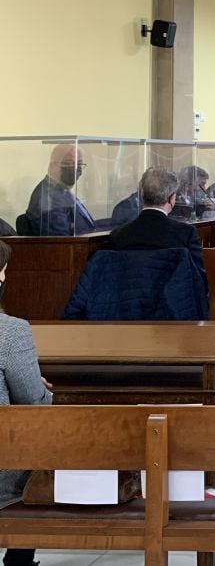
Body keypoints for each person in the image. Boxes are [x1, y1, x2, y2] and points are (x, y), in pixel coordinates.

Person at [0, 240, 54, 566]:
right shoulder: (11, 332)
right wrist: (43, 389)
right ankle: (19, 561)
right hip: (3, 476)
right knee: (39, 448)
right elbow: (33, 404)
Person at [106, 167, 206, 282]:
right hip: (173, 299)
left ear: (142, 194)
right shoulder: (186, 233)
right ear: (171, 197)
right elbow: (198, 278)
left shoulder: (118, 235)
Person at [24, 144, 95, 235]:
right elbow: (60, 240)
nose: (75, 168)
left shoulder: (62, 191)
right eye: (67, 163)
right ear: (52, 166)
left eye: (79, 164)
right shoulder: (49, 197)